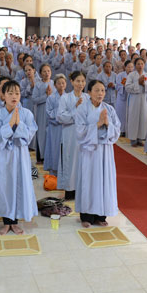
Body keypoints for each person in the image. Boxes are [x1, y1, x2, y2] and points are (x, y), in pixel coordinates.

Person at [0, 80, 38, 235]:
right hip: (2, 156)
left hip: (20, 155)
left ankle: (15, 222)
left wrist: (18, 124)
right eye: (10, 93)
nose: (14, 96)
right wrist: (10, 125)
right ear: (3, 95)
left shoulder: (27, 114)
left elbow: (29, 136)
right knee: (4, 186)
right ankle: (6, 222)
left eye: (17, 93)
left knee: (19, 185)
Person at [75, 79, 121, 227]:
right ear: (89, 93)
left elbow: (117, 130)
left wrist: (107, 124)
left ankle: (101, 216)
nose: (100, 93)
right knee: (89, 181)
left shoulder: (109, 109)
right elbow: (80, 131)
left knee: (104, 181)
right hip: (89, 151)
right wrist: (98, 124)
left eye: (102, 90)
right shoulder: (82, 109)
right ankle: (86, 217)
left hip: (105, 151)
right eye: (96, 90)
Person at [57, 71, 89, 200]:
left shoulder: (88, 97)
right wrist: (76, 108)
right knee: (70, 162)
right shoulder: (65, 98)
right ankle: (70, 191)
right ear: (72, 82)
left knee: (83, 162)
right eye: (78, 81)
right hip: (70, 135)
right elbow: (60, 117)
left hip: (84, 135)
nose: (80, 84)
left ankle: (83, 191)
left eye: (83, 81)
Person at [32, 64, 55, 163]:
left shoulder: (54, 83)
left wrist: (51, 96)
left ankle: (51, 156)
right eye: (44, 71)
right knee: (41, 133)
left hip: (53, 111)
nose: (47, 73)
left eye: (48, 71)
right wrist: (46, 96)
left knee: (51, 133)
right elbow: (34, 99)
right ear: (40, 73)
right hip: (42, 110)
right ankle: (41, 156)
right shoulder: (38, 85)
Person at [125, 57, 147, 146]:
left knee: (143, 118)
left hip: (144, 99)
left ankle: (140, 138)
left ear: (144, 65)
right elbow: (127, 87)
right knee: (134, 118)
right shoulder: (131, 75)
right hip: (134, 99)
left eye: (142, 64)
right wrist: (137, 83)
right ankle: (133, 139)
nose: (140, 66)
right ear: (135, 65)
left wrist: (144, 84)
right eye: (138, 64)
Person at [44, 74, 66, 175]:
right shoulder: (51, 98)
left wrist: (64, 117)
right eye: (59, 83)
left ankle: (64, 173)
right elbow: (49, 113)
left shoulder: (68, 97)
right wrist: (60, 114)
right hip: (54, 128)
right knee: (54, 149)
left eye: (63, 83)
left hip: (65, 127)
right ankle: (54, 172)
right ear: (55, 85)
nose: (61, 85)